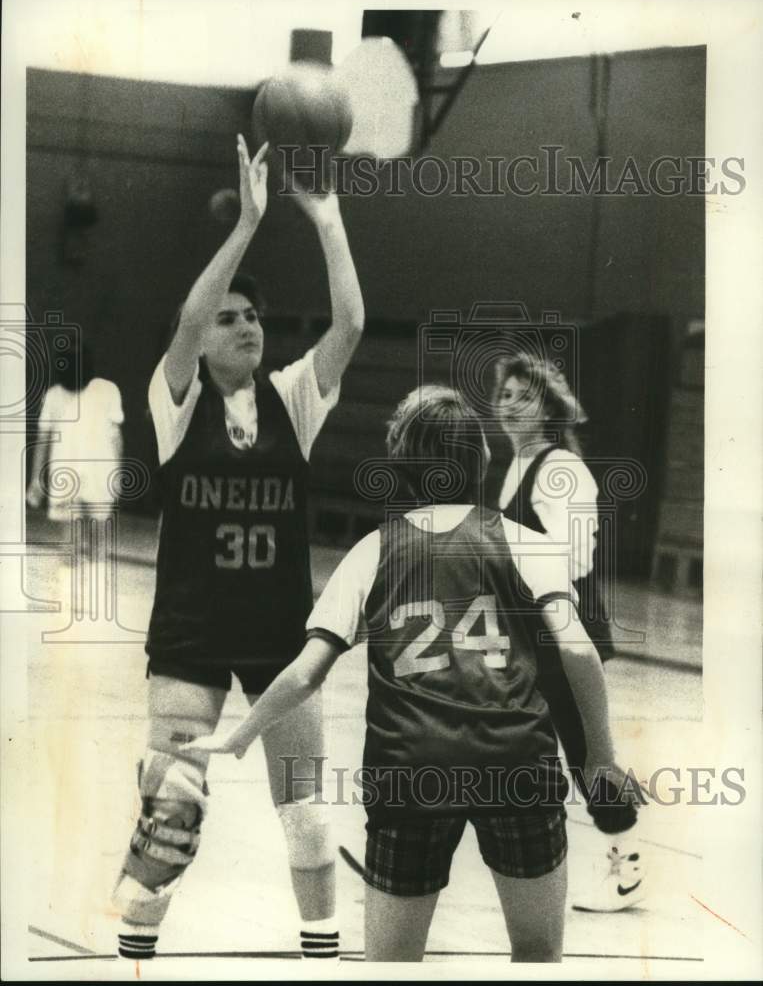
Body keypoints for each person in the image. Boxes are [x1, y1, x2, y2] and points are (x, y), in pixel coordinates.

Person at [186, 385, 642, 962]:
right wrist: (599, 757)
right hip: (516, 766)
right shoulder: (526, 544)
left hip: (409, 773)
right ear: (481, 457)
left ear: (399, 464)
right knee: (536, 956)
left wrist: (241, 733)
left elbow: (304, 675)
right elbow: (578, 652)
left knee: (392, 965)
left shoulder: (371, 552)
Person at [111, 135, 364, 960]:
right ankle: (135, 947)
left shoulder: (293, 398)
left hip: (279, 635)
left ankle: (321, 951)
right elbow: (188, 319)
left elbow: (351, 324)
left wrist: (326, 219)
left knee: (307, 813)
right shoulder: (175, 400)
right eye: (230, 318)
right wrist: (249, 222)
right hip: (190, 633)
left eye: (252, 315)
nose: (246, 325)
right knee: (172, 804)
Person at [491, 351, 645, 912]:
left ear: (549, 409)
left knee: (586, 755)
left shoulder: (561, 468)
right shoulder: (517, 464)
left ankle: (627, 868)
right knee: (508, 745)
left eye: (524, 397)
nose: (510, 405)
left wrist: (505, 561)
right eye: (505, 396)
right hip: (529, 630)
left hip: (563, 627)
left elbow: (575, 555)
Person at [27, 342, 124, 523]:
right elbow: (43, 440)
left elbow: (115, 437)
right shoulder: (53, 396)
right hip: (66, 477)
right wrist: (36, 479)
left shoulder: (107, 391)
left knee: (98, 535)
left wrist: (117, 474)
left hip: (98, 475)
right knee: (72, 536)